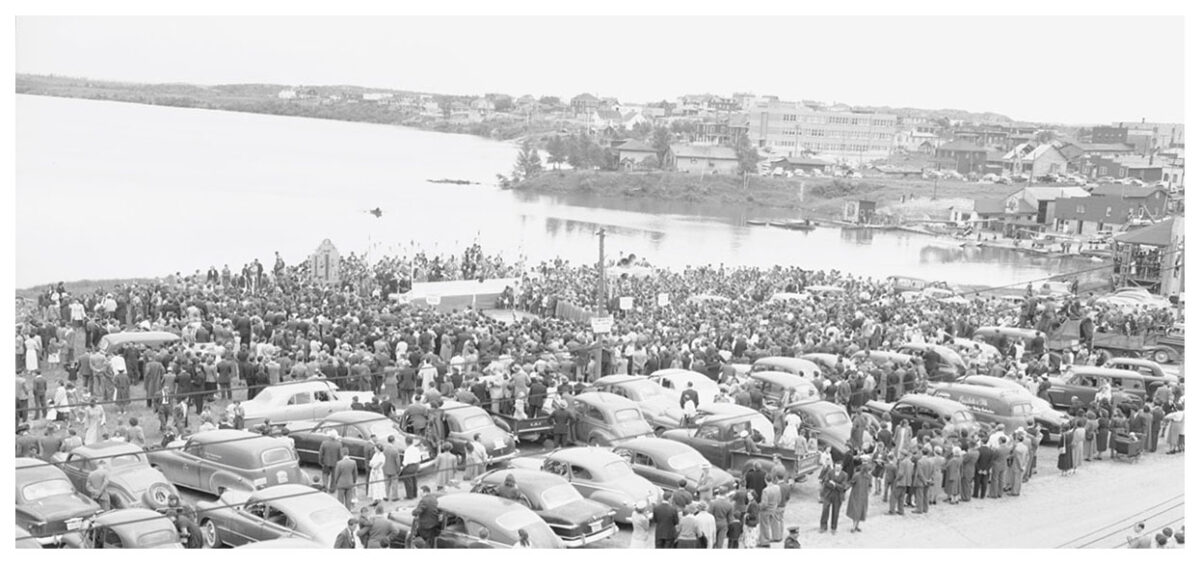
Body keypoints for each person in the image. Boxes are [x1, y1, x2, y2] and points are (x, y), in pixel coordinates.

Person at [819, 463, 848, 534]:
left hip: (838, 495)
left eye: (839, 467)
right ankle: (823, 527)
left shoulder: (844, 475)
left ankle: (833, 528)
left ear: (841, 467)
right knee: (825, 510)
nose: (837, 468)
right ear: (834, 466)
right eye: (836, 466)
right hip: (828, 494)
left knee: (836, 512)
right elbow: (826, 482)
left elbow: (843, 486)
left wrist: (834, 484)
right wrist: (836, 485)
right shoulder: (830, 472)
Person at [845, 455, 872, 532]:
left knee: (856, 510)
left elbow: (851, 483)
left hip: (856, 495)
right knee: (860, 510)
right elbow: (870, 486)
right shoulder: (869, 476)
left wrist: (845, 489)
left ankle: (854, 526)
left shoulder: (857, 475)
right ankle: (856, 526)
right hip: (863, 495)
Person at [382, 436, 403, 501]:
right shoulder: (395, 450)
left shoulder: (384, 449)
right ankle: (394, 497)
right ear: (393, 441)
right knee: (394, 484)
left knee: (386, 483)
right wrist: (398, 469)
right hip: (393, 469)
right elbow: (398, 461)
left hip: (385, 468)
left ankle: (386, 496)